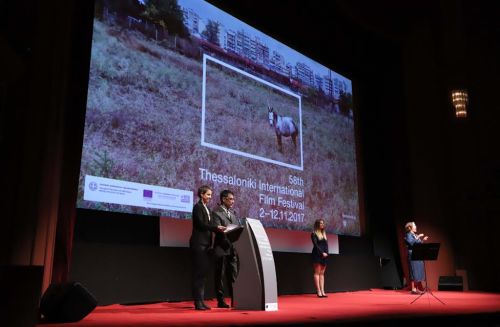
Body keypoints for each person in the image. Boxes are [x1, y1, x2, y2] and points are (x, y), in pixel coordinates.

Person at [190, 185, 226, 310]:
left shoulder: (207, 208)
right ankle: (197, 302)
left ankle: (201, 300)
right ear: (201, 194)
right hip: (198, 244)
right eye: (208, 194)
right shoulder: (197, 207)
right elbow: (200, 224)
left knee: (203, 274)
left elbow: (210, 225)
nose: (210, 197)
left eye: (210, 195)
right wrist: (215, 228)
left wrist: (218, 228)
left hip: (206, 245)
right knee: (199, 273)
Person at [211, 190, 240, 308]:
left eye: (233, 199)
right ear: (223, 199)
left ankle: (236, 299)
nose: (233, 201)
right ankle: (221, 301)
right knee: (220, 276)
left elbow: (237, 229)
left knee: (234, 275)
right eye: (230, 199)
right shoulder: (216, 213)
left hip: (232, 249)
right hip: (221, 248)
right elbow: (217, 229)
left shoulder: (233, 214)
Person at [404, 221, 429, 294]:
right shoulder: (409, 235)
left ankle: (417, 288)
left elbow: (418, 244)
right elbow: (411, 243)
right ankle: (413, 289)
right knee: (414, 271)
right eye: (414, 225)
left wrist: (422, 240)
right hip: (412, 255)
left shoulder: (414, 235)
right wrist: (418, 237)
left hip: (417, 254)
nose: (416, 227)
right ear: (410, 228)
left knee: (418, 271)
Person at [311, 219, 329, 298]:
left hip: (324, 256)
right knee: (317, 273)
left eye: (323, 223)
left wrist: (327, 253)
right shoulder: (314, 233)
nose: (322, 224)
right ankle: (318, 291)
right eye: (320, 223)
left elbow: (326, 245)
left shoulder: (324, 233)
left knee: (322, 273)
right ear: (317, 224)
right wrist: (322, 253)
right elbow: (315, 245)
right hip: (317, 254)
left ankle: (323, 291)